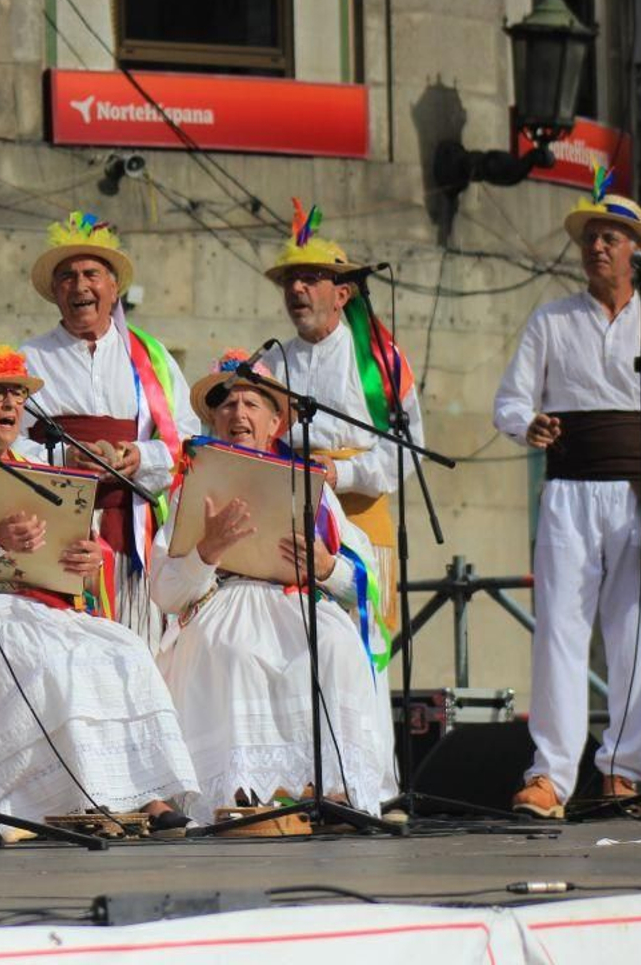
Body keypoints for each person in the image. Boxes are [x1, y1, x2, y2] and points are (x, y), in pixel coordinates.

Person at [0, 346, 197, 831]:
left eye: (16, 394)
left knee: (127, 649)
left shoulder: (43, 467)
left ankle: (146, 794)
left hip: (47, 607)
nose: (9, 404)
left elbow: (78, 551)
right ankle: (88, 797)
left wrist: (90, 559)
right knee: (57, 663)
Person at [494, 182, 641, 819]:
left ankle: (625, 772)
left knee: (638, 634)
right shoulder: (551, 320)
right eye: (589, 238)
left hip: (635, 495)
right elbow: (509, 401)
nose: (596, 246)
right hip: (569, 494)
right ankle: (551, 776)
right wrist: (529, 425)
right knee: (558, 630)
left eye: (609, 236)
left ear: (638, 251)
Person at [149, 350, 386, 825]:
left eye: (252, 404)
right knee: (230, 649)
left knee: (336, 644)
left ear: (276, 420)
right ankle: (240, 794)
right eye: (228, 405)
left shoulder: (306, 480)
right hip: (223, 600)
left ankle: (332, 791)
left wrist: (323, 566)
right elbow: (166, 590)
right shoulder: (192, 486)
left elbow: (364, 579)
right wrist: (206, 553)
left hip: (295, 601)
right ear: (214, 418)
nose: (238, 414)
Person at [264, 200, 418, 806]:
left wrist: (341, 468)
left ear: (344, 292)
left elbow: (408, 455)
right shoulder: (271, 361)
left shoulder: (380, 359)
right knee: (301, 648)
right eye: (290, 281)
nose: (298, 290)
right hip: (295, 522)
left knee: (363, 650)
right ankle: (310, 781)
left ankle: (369, 785)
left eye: (311, 279)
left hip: (358, 519)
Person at [20, 213, 198, 651]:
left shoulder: (152, 357)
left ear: (113, 287)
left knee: (140, 648)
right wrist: (63, 461)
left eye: (91, 274)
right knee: (72, 653)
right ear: (54, 292)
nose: (80, 286)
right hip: (61, 533)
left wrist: (141, 457)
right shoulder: (29, 358)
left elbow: (188, 441)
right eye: (67, 277)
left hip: (132, 532)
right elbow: (5, 444)